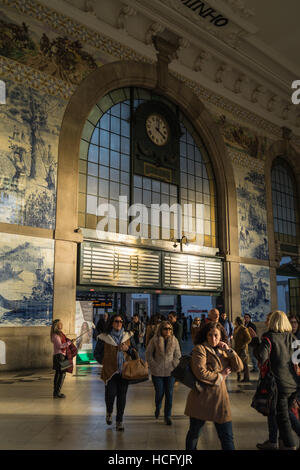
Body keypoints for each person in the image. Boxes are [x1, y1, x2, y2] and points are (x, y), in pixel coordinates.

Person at [185, 322, 243, 450]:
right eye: (210, 335)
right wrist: (221, 376)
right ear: (205, 336)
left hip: (220, 400)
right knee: (194, 434)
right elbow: (201, 373)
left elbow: (239, 367)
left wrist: (228, 350)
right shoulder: (200, 349)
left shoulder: (224, 350)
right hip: (201, 398)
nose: (213, 338)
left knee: (227, 437)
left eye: (216, 335)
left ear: (221, 336)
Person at [253, 310, 299, 450]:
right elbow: (297, 360)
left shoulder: (269, 337)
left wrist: (255, 341)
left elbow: (262, 356)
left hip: (279, 385)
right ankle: (282, 443)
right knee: (285, 415)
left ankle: (290, 446)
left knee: (283, 418)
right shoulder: (292, 338)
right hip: (293, 384)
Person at [96, 314, 136, 431]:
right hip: (110, 372)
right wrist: (105, 362)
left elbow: (135, 352)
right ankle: (109, 412)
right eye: (116, 321)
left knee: (122, 397)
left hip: (124, 371)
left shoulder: (128, 337)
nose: (119, 323)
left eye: (121, 321)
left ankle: (119, 421)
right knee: (110, 395)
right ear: (112, 323)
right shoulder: (104, 337)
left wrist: (127, 349)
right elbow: (97, 353)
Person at [146, 320, 181, 425]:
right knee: (159, 393)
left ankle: (167, 416)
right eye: (165, 329)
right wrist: (154, 365)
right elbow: (148, 354)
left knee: (169, 394)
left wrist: (174, 364)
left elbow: (178, 354)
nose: (168, 331)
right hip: (157, 371)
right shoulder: (154, 340)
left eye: (170, 329)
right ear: (161, 329)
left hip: (170, 372)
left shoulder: (174, 340)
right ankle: (158, 407)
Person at [50, 319, 75, 399]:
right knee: (61, 374)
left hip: (61, 356)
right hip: (59, 356)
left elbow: (63, 344)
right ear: (57, 326)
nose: (62, 324)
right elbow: (60, 346)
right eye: (60, 323)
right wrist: (69, 343)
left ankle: (56, 392)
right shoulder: (55, 335)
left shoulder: (60, 334)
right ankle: (57, 393)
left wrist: (69, 341)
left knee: (59, 374)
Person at [233, 317, 251, 382]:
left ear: (238, 321)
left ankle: (246, 377)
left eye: (235, 321)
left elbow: (249, 339)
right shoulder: (235, 329)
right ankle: (239, 376)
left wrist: (244, 344)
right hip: (237, 348)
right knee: (237, 363)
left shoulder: (244, 329)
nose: (234, 322)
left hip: (242, 349)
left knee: (245, 364)